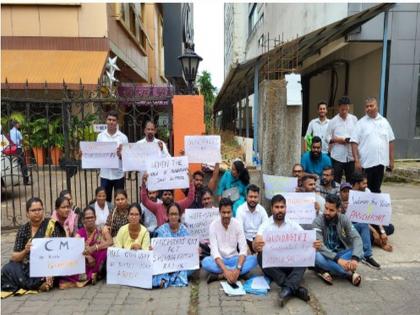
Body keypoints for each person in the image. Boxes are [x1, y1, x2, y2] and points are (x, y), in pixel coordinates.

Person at [253, 194, 321, 307]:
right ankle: (295, 288)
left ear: (286, 208)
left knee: (305, 256)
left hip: (290, 264)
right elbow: (257, 243)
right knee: (260, 257)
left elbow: (306, 242)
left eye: (282, 207)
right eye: (277, 207)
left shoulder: (293, 224)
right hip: (274, 266)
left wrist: (314, 244)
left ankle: (287, 289)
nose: (279, 210)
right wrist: (256, 245)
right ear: (271, 208)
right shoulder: (264, 226)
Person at [1, 197, 65, 295]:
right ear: (27, 213)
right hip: (29, 266)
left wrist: (50, 271)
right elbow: (14, 257)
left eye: (39, 209)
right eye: (33, 210)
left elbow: (59, 253)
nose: (37, 212)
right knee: (7, 269)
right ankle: (38, 285)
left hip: (49, 264)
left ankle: (39, 283)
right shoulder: (23, 230)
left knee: (53, 272)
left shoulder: (51, 225)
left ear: (43, 211)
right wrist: (25, 251)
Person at [202, 198, 257, 284]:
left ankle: (220, 275)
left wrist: (238, 268)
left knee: (254, 259)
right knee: (205, 262)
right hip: (220, 260)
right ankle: (237, 274)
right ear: (219, 212)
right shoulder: (213, 225)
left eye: (228, 212)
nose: (226, 215)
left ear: (232, 212)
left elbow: (243, 249)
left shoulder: (237, 224)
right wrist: (226, 270)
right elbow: (214, 252)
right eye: (224, 212)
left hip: (234, 259)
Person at [313, 194, 363, 286]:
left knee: (360, 251)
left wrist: (355, 259)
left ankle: (324, 270)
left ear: (338, 210)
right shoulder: (317, 221)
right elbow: (320, 246)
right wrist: (338, 260)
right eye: (326, 208)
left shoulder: (344, 219)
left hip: (341, 253)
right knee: (316, 256)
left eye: (331, 210)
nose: (327, 212)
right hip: (325, 254)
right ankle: (348, 274)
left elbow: (356, 238)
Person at [59, 207, 112, 289]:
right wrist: (88, 257)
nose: (90, 220)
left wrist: (95, 247)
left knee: (104, 253)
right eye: (87, 218)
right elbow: (75, 248)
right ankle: (92, 276)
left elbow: (110, 242)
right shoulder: (80, 232)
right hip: (86, 262)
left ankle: (92, 276)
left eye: (92, 217)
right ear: (83, 220)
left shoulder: (102, 228)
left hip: (97, 259)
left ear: (95, 218)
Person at [351, 96, 395, 193]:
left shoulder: (384, 122)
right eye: (367, 106)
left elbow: (391, 141)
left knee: (376, 190)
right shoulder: (361, 123)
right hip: (366, 164)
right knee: (365, 190)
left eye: (371, 106)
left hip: (380, 163)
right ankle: (365, 208)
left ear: (377, 107)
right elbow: (354, 142)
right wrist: (356, 161)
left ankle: (374, 208)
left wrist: (391, 160)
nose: (369, 108)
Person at [351, 172, 389, 265]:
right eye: (364, 183)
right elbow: (358, 218)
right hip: (355, 224)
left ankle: (371, 239)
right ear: (356, 184)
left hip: (366, 220)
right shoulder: (349, 194)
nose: (366, 185)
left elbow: (372, 211)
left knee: (389, 227)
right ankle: (369, 251)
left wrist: (382, 231)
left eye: (366, 183)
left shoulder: (367, 191)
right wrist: (374, 231)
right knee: (365, 229)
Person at [152, 203, 193, 288]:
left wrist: (195, 251)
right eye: (171, 214)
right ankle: (166, 278)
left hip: (181, 264)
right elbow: (157, 252)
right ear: (167, 216)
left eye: (176, 214)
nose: (173, 217)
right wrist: (153, 248)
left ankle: (166, 279)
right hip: (165, 264)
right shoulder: (161, 230)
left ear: (179, 216)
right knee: (157, 268)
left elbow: (190, 250)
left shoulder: (185, 230)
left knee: (193, 267)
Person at [96, 110, 129, 202]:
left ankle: (118, 215)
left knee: (119, 200)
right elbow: (97, 153)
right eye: (109, 119)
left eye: (113, 120)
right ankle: (107, 216)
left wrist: (120, 155)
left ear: (117, 122)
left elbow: (127, 157)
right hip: (105, 174)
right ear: (106, 121)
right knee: (106, 200)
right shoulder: (100, 136)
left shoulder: (123, 137)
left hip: (118, 175)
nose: (111, 122)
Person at [326, 96, 358, 183]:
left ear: (348, 107)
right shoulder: (333, 121)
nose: (344, 112)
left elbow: (357, 135)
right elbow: (327, 138)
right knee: (336, 181)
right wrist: (337, 140)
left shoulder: (354, 119)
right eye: (342, 109)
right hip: (337, 156)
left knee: (351, 181)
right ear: (338, 107)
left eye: (346, 109)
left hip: (350, 156)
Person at [236, 184, 268, 253]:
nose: (253, 199)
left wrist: (258, 241)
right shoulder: (240, 210)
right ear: (246, 197)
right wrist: (245, 247)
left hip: (258, 239)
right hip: (245, 239)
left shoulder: (262, 210)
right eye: (250, 197)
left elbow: (266, 228)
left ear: (258, 198)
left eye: (255, 197)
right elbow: (239, 232)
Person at [9, 120, 30, 185]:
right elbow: (21, 140)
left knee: (14, 165)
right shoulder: (17, 132)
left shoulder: (9, 132)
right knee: (23, 165)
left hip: (12, 150)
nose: (19, 125)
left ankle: (14, 182)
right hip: (18, 149)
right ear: (15, 125)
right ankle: (25, 181)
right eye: (18, 124)